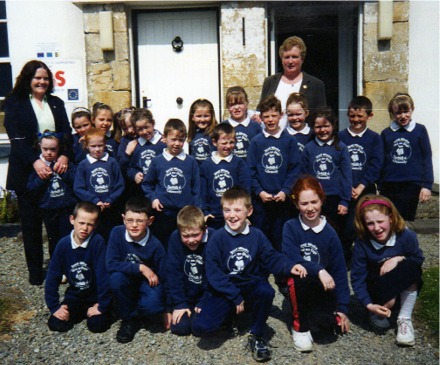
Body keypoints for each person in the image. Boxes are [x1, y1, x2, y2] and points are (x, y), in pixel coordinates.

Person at [192, 186, 305, 362]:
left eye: (238, 210)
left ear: (249, 211)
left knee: (266, 291)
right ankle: (231, 315)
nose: (232, 215)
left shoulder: (257, 236)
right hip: (225, 289)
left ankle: (257, 335)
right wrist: (234, 296)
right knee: (200, 328)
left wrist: (289, 266)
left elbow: (271, 257)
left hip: (250, 284)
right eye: (227, 210)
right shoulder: (217, 238)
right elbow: (214, 275)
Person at [2, 60, 73, 285]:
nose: (42, 82)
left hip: (55, 174)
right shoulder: (15, 103)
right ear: (28, 79)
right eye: (37, 78)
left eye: (45, 78)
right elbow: (16, 138)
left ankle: (57, 269)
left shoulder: (56, 103)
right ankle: (35, 273)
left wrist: (64, 155)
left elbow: (67, 133)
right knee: (31, 226)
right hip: (27, 173)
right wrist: (35, 161)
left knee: (56, 226)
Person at [282, 175, 350, 352]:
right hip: (298, 282)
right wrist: (319, 270)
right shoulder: (290, 226)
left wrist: (342, 308)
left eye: (314, 202)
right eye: (304, 204)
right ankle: (300, 328)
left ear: (322, 200)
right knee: (301, 275)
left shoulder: (330, 233)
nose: (310, 208)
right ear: (297, 205)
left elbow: (340, 271)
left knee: (326, 328)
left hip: (321, 286)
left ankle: (312, 314)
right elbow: (291, 256)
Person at [351, 194, 424, 346]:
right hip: (377, 288)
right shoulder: (362, 243)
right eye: (370, 223)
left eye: (380, 221)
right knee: (380, 322)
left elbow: (418, 260)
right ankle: (378, 310)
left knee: (411, 267)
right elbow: (357, 278)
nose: (376, 228)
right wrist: (368, 304)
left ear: (391, 218)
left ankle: (404, 319)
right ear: (364, 224)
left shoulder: (406, 235)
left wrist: (398, 258)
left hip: (399, 283)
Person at [106, 197, 167, 343]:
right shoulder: (117, 233)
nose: (134, 225)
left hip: (147, 283)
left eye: (140, 221)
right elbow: (110, 264)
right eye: (130, 220)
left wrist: (168, 309)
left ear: (150, 221)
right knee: (116, 279)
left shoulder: (155, 245)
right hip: (126, 279)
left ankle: (137, 309)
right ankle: (129, 319)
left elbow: (165, 276)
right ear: (123, 219)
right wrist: (140, 267)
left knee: (154, 307)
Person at [44, 202, 112, 333]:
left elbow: (103, 277)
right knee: (56, 323)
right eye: (81, 223)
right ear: (72, 220)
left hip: (95, 296)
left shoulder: (97, 242)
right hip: (75, 296)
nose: (84, 228)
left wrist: (102, 305)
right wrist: (54, 307)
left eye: (90, 224)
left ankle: (100, 310)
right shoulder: (63, 244)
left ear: (96, 225)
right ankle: (81, 312)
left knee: (97, 325)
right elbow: (53, 276)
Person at [247, 95, 301, 251]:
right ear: (261, 118)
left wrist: (285, 191)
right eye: (266, 116)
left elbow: (294, 169)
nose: (270, 120)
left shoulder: (289, 141)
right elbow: (251, 171)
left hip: (282, 201)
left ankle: (281, 272)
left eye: (273, 115)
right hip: (262, 201)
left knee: (281, 237)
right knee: (262, 237)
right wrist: (259, 192)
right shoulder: (257, 141)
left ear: (281, 115)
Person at [301, 107, 352, 263]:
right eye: (318, 126)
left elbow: (346, 176)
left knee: (339, 232)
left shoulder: (341, 148)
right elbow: (304, 174)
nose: (322, 130)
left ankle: (342, 261)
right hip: (316, 199)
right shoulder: (309, 148)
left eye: (326, 126)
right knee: (317, 230)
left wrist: (344, 200)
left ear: (333, 126)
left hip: (335, 197)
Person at [142, 119, 201, 249]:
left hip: (185, 214)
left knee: (184, 245)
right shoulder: (157, 161)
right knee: (164, 245)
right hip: (164, 213)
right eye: (173, 139)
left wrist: (198, 212)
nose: (177, 143)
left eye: (181, 140)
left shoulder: (191, 162)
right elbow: (147, 184)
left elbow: (197, 189)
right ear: (165, 138)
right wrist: (153, 198)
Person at [338, 96, 383, 265]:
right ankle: (345, 262)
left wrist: (361, 186)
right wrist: (347, 186)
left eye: (360, 116)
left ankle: (369, 260)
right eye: (352, 116)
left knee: (367, 227)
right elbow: (337, 164)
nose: (356, 120)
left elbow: (375, 165)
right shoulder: (340, 136)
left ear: (369, 116)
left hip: (366, 191)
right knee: (347, 229)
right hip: (345, 191)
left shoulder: (374, 138)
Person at [379, 93, 433, 221]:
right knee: (390, 219)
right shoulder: (386, 133)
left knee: (405, 221)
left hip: (411, 184)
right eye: (398, 113)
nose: (403, 116)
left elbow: (426, 157)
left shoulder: (420, 130)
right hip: (390, 184)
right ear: (392, 113)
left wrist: (427, 185)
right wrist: (380, 183)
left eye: (406, 111)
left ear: (412, 109)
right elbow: (382, 159)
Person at [27, 131, 77, 258]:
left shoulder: (65, 164)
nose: (49, 152)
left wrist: (63, 172)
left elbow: (75, 180)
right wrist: (42, 178)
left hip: (66, 207)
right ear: (40, 147)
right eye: (45, 149)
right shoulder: (38, 166)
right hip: (48, 208)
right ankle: (56, 267)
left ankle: (69, 266)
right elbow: (31, 188)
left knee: (68, 236)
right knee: (53, 239)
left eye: (53, 149)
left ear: (58, 148)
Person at [258, 36, 326, 128]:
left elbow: (321, 117)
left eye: (294, 57)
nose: (290, 61)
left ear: (302, 59)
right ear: (281, 59)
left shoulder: (316, 84)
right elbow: (261, 110)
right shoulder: (269, 82)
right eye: (286, 57)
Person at [166, 206, 214, 336]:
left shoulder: (214, 238)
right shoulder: (174, 238)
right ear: (179, 231)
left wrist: (205, 300)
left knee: (201, 328)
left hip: (207, 293)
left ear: (204, 230)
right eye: (186, 236)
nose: (191, 240)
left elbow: (215, 275)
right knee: (180, 328)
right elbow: (173, 274)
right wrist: (180, 303)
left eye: (195, 235)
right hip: (187, 294)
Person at [73, 128, 125, 241]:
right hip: (91, 209)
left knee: (112, 235)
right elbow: (78, 188)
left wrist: (110, 199)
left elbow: (120, 184)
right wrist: (94, 200)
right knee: (93, 236)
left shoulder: (112, 162)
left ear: (105, 144)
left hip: (110, 208)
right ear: (86, 146)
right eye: (93, 146)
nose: (97, 149)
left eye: (100, 145)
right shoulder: (83, 165)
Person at [200, 122, 251, 229]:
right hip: (213, 216)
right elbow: (202, 191)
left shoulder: (239, 163)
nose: (228, 146)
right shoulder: (206, 165)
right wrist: (205, 212)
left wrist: (244, 212)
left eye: (231, 142)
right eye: (224, 143)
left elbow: (246, 189)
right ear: (214, 142)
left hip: (234, 215)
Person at [125, 108, 166, 196]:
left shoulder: (163, 143)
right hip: (142, 191)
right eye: (140, 129)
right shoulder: (135, 145)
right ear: (135, 130)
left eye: (146, 127)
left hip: (160, 189)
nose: (144, 132)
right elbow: (129, 167)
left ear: (153, 123)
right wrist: (134, 174)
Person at [223, 86, 261, 160]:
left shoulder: (255, 126)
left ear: (247, 104)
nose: (237, 107)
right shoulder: (223, 127)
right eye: (233, 104)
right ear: (227, 106)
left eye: (240, 103)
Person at [187, 98, 218, 165]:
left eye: (206, 116)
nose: (202, 119)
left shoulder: (216, 133)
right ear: (192, 117)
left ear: (212, 116)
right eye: (199, 116)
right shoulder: (192, 134)